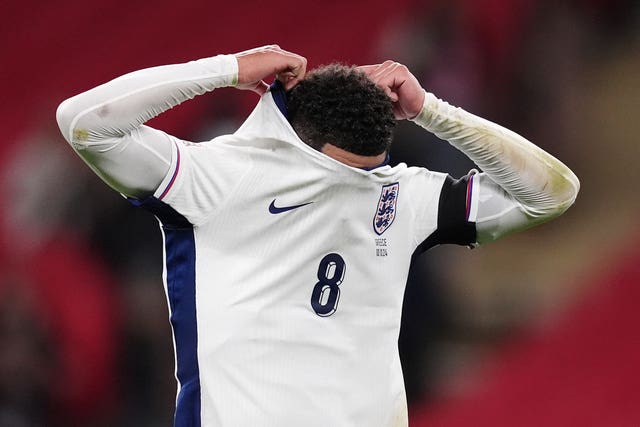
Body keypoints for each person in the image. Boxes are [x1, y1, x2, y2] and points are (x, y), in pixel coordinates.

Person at [56, 45, 579, 426]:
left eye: (368, 171)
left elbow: (551, 192)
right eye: (340, 173)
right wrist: (225, 70)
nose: (356, 185)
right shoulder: (218, 177)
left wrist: (431, 112)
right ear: (299, 142)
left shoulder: (395, 192)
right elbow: (82, 122)